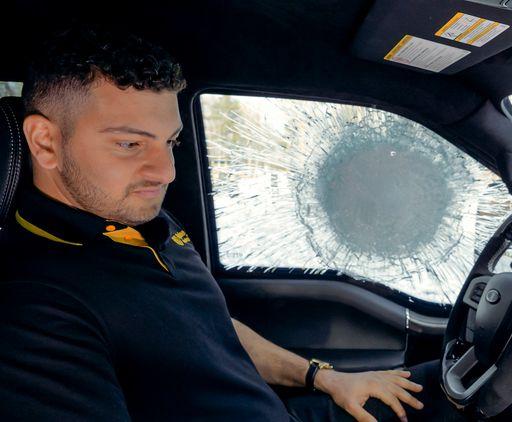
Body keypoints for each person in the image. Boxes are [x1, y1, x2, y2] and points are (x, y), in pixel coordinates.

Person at [0, 26, 468, 422]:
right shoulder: (34, 306)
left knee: (459, 388)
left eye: (171, 142)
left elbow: (213, 327)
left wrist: (325, 377)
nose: (165, 172)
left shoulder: (141, 219)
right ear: (44, 142)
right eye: (130, 145)